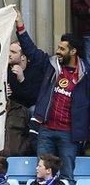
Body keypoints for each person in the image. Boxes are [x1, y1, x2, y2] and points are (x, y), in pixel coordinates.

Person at [16, 11, 89, 181]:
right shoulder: (51, 65)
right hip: (46, 130)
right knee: (42, 176)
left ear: (74, 51)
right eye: (58, 47)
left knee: (66, 177)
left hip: (69, 134)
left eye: (62, 49)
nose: (58, 51)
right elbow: (31, 51)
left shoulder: (86, 75)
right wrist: (20, 25)